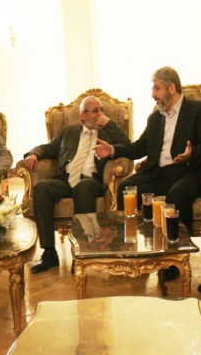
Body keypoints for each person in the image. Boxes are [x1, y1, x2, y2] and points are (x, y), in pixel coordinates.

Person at [94, 66, 201, 278]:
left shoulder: (199, 110)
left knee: (177, 195)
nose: (153, 94)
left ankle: (175, 259)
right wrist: (112, 150)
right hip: (159, 173)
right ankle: (133, 252)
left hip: (190, 172)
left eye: (157, 88)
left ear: (171, 88)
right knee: (126, 187)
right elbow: (139, 148)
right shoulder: (155, 118)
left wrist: (192, 154)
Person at [20, 96, 129, 273]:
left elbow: (127, 145)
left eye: (101, 110)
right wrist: (33, 154)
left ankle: (81, 252)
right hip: (66, 179)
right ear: (83, 115)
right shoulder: (68, 132)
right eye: (95, 111)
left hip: (91, 181)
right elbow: (48, 147)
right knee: (42, 188)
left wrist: (109, 124)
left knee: (83, 187)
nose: (100, 114)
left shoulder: (108, 133)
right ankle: (49, 253)